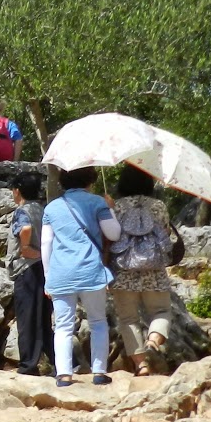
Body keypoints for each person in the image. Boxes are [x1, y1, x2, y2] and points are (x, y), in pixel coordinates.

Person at [42, 167, 121, 387]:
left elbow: (46, 244)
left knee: (63, 326)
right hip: (91, 271)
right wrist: (111, 209)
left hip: (60, 273)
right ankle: (99, 371)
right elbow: (114, 234)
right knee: (97, 321)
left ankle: (64, 375)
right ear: (90, 180)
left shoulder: (52, 207)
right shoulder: (98, 203)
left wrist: (47, 277)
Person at [109, 165, 173, 375]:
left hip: (123, 270)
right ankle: (154, 340)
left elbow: (109, 235)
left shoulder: (116, 207)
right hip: (153, 270)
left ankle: (141, 365)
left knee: (128, 319)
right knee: (162, 311)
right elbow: (165, 232)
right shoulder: (159, 206)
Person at [8, 173, 54, 376]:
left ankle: (28, 364)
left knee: (27, 318)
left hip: (26, 268)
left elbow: (25, 228)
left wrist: (25, 246)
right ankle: (64, 362)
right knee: (43, 319)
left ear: (17, 190)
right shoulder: (42, 209)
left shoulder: (22, 210)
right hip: (44, 268)